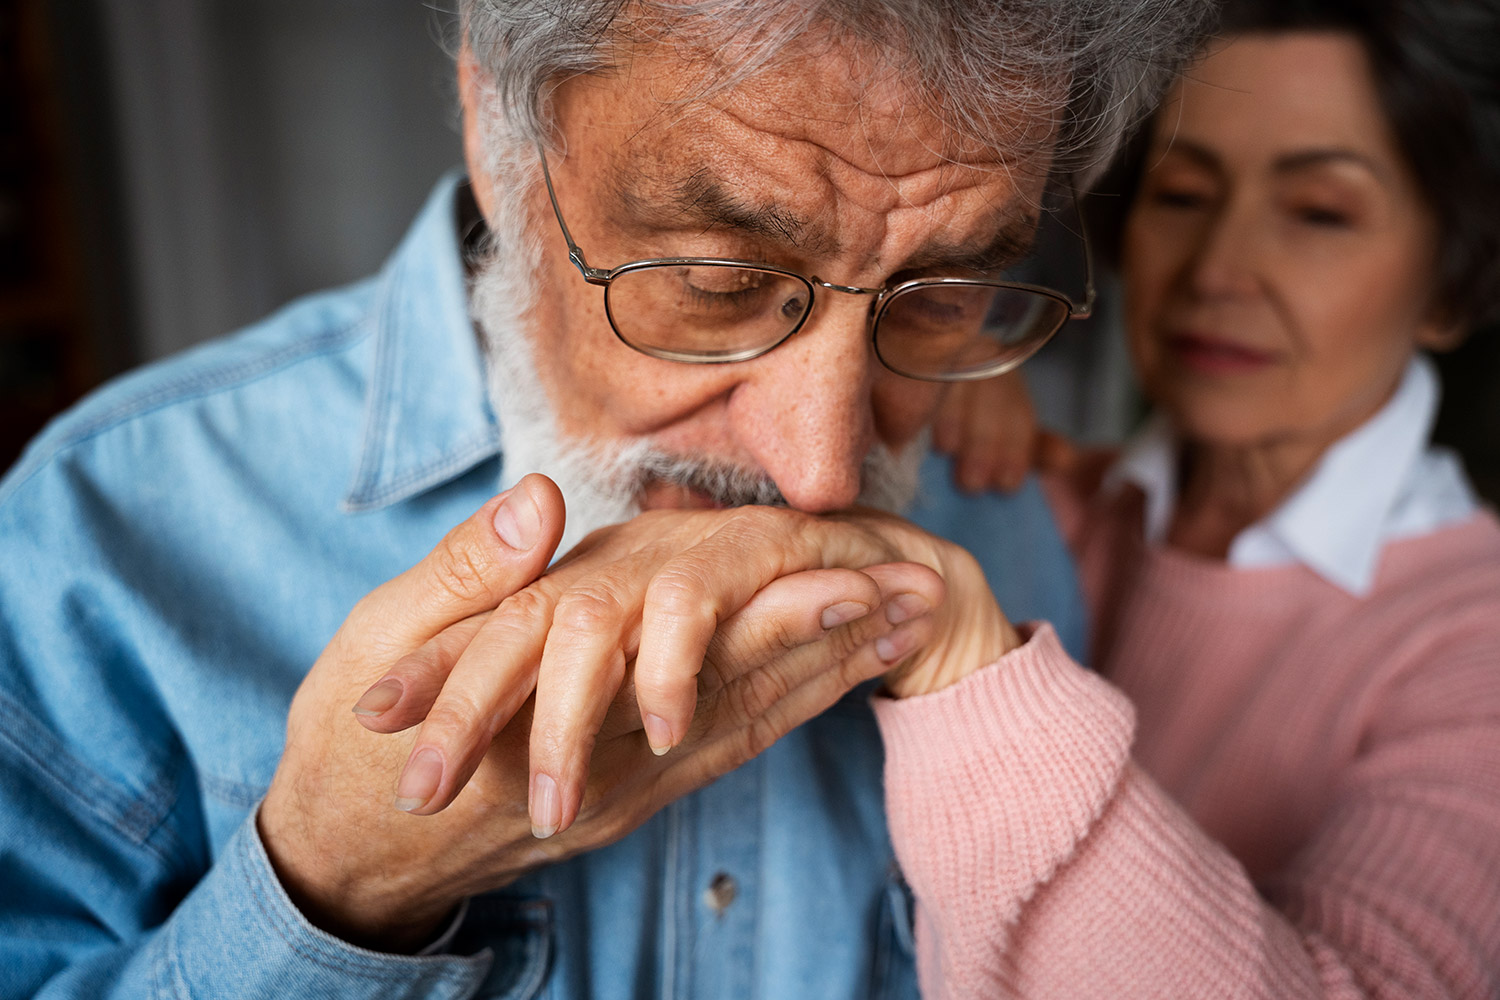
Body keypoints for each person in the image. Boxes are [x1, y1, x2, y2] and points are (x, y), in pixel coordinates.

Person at [0, 2, 1216, 998]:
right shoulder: (98, 541)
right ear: (498, 124)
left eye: (943, 291)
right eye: (719, 279)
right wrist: (330, 890)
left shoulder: (1004, 519)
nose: (823, 472)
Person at [920, 1, 1500, 995]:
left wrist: (977, 678)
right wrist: (924, 376)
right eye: (1182, 194)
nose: (1220, 269)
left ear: (1451, 281)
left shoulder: (1473, 642)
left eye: (1319, 211)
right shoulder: (1025, 507)